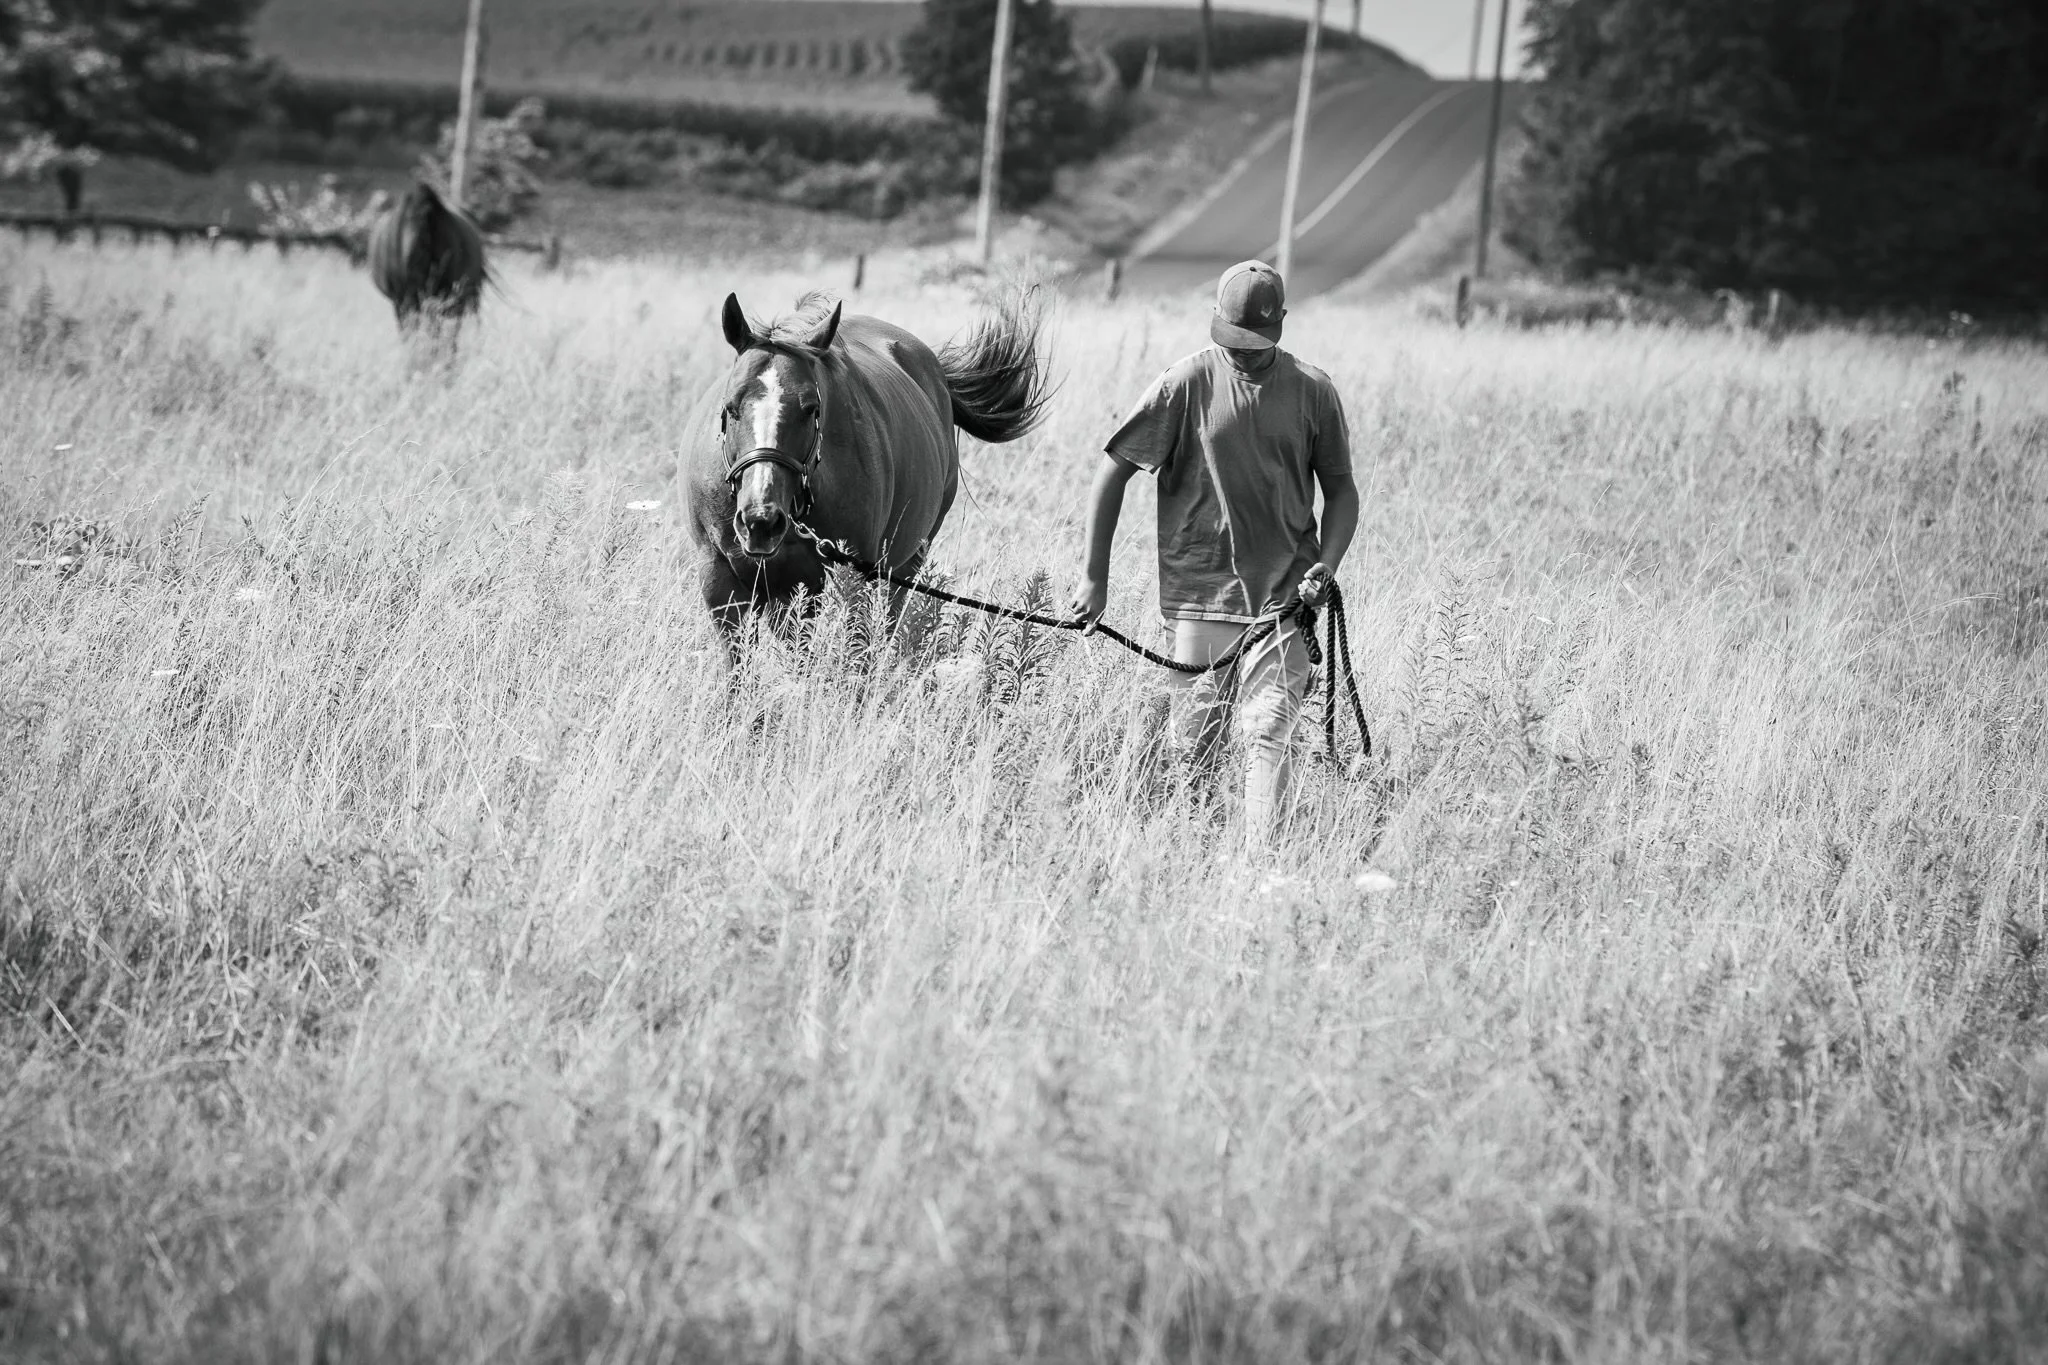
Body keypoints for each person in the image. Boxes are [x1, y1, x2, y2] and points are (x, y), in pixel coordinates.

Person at [1067, 260, 1359, 853]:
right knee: (1192, 745)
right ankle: (1191, 854)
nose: (1243, 354)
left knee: (1267, 730)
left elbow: (1342, 491)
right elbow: (1112, 473)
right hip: (1200, 595)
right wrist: (1094, 578)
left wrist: (1325, 565)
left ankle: (1258, 870)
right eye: (1232, 340)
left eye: (1255, 344)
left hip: (1284, 600)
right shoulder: (1184, 383)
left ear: (1280, 327)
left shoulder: (1314, 392)